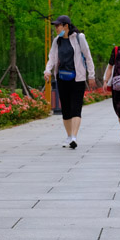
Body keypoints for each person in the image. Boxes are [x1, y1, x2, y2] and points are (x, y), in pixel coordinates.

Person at [43, 15, 97, 149]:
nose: (56, 28)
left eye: (58, 26)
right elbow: (52, 57)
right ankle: (68, 136)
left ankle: (74, 137)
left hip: (77, 79)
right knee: (66, 109)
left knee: (76, 108)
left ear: (66, 26)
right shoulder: (57, 41)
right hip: (62, 78)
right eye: (55, 26)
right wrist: (47, 70)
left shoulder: (79, 38)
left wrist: (91, 75)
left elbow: (88, 57)